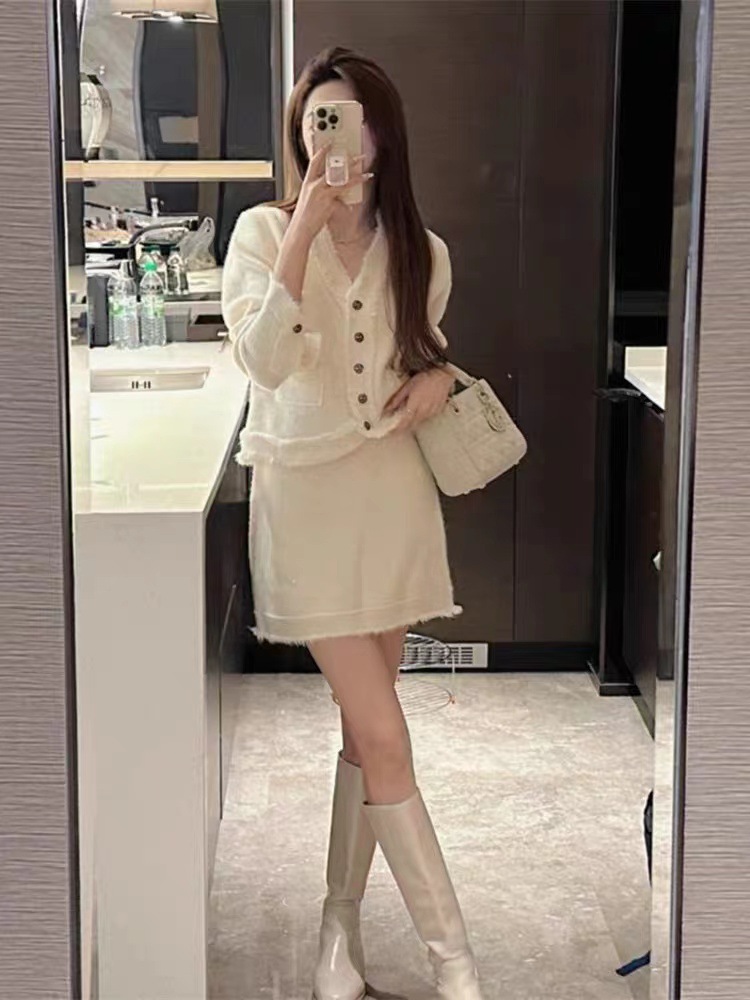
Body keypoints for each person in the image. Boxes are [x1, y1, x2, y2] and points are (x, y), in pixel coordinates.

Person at [222, 46, 484, 1000]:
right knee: (386, 733)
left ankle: (340, 932)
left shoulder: (425, 250)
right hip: (305, 502)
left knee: (364, 731)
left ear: (382, 132)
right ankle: (455, 966)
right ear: (302, 138)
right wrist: (305, 229)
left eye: (347, 118)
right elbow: (262, 361)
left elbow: (422, 351)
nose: (331, 135)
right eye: (315, 121)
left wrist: (440, 375)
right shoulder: (261, 231)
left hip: (391, 499)